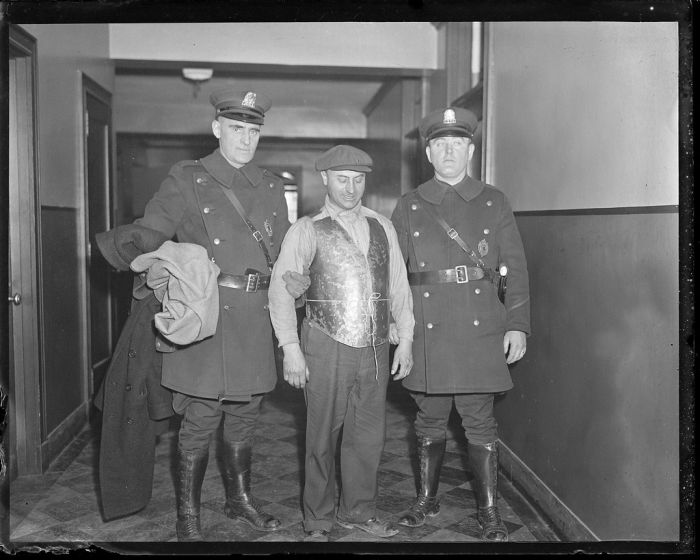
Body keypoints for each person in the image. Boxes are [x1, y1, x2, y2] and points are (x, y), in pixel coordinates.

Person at [127, 87, 299, 541]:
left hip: (255, 315)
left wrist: (296, 282)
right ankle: (189, 515)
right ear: (217, 128)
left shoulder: (271, 185)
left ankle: (239, 500)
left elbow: (282, 253)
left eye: (253, 131)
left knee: (246, 413)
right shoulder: (187, 178)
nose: (245, 139)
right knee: (201, 417)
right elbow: (154, 231)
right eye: (237, 128)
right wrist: (132, 249)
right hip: (207, 315)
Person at [390, 107, 530, 542]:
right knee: (429, 420)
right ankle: (426, 499)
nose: (449, 152)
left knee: (480, 423)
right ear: (429, 153)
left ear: (471, 149)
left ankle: (488, 512)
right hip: (427, 327)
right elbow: (393, 272)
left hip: (479, 329)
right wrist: (397, 325)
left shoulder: (494, 200)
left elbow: (514, 268)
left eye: (457, 144)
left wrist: (517, 324)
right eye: (440, 145)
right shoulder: (410, 205)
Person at [268, 145, 415, 542]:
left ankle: (358, 512)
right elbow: (281, 294)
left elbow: (399, 288)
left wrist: (406, 340)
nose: (350, 188)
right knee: (321, 437)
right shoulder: (306, 230)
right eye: (342, 179)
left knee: (367, 436)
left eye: (358, 179)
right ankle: (317, 520)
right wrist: (291, 350)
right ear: (326, 180)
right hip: (324, 344)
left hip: (375, 347)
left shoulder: (383, 227)